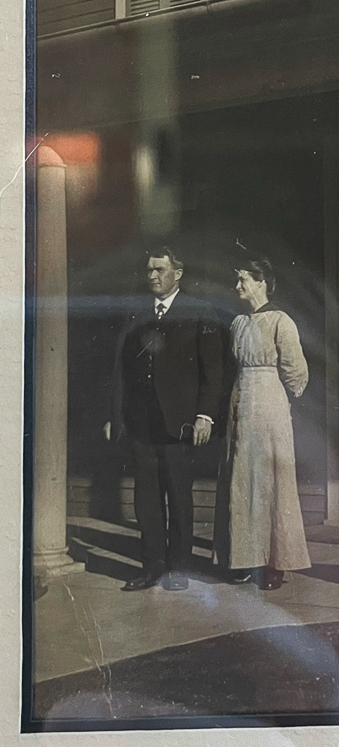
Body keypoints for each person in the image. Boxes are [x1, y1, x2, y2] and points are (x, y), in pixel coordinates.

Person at [107, 248, 225, 592]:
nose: (153, 276)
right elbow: (121, 369)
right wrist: (115, 415)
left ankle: (178, 569)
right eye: (149, 270)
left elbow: (212, 371)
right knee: (146, 499)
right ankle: (151, 567)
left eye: (159, 269)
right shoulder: (137, 311)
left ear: (178, 272)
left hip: (181, 423)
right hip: (142, 422)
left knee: (179, 497)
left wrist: (205, 415)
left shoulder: (199, 312)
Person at [213, 259, 311, 591]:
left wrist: (283, 400)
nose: (237, 286)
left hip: (270, 404)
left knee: (271, 481)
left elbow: (295, 369)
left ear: (261, 282)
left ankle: (275, 562)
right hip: (241, 405)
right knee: (242, 478)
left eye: (242, 279)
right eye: (237, 279)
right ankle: (244, 558)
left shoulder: (280, 321)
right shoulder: (238, 323)